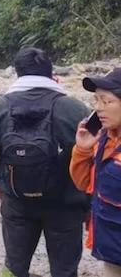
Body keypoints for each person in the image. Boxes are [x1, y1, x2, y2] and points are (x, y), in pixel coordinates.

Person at [0, 47, 89, 277]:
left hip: (16, 202)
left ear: (17, 72)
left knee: (14, 267)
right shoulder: (74, 108)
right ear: (51, 73)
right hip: (65, 204)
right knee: (65, 271)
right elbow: (96, 153)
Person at [71, 67, 121, 276]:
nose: (98, 108)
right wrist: (82, 149)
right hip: (112, 250)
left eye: (106, 101)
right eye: (96, 100)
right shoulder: (104, 139)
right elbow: (83, 183)